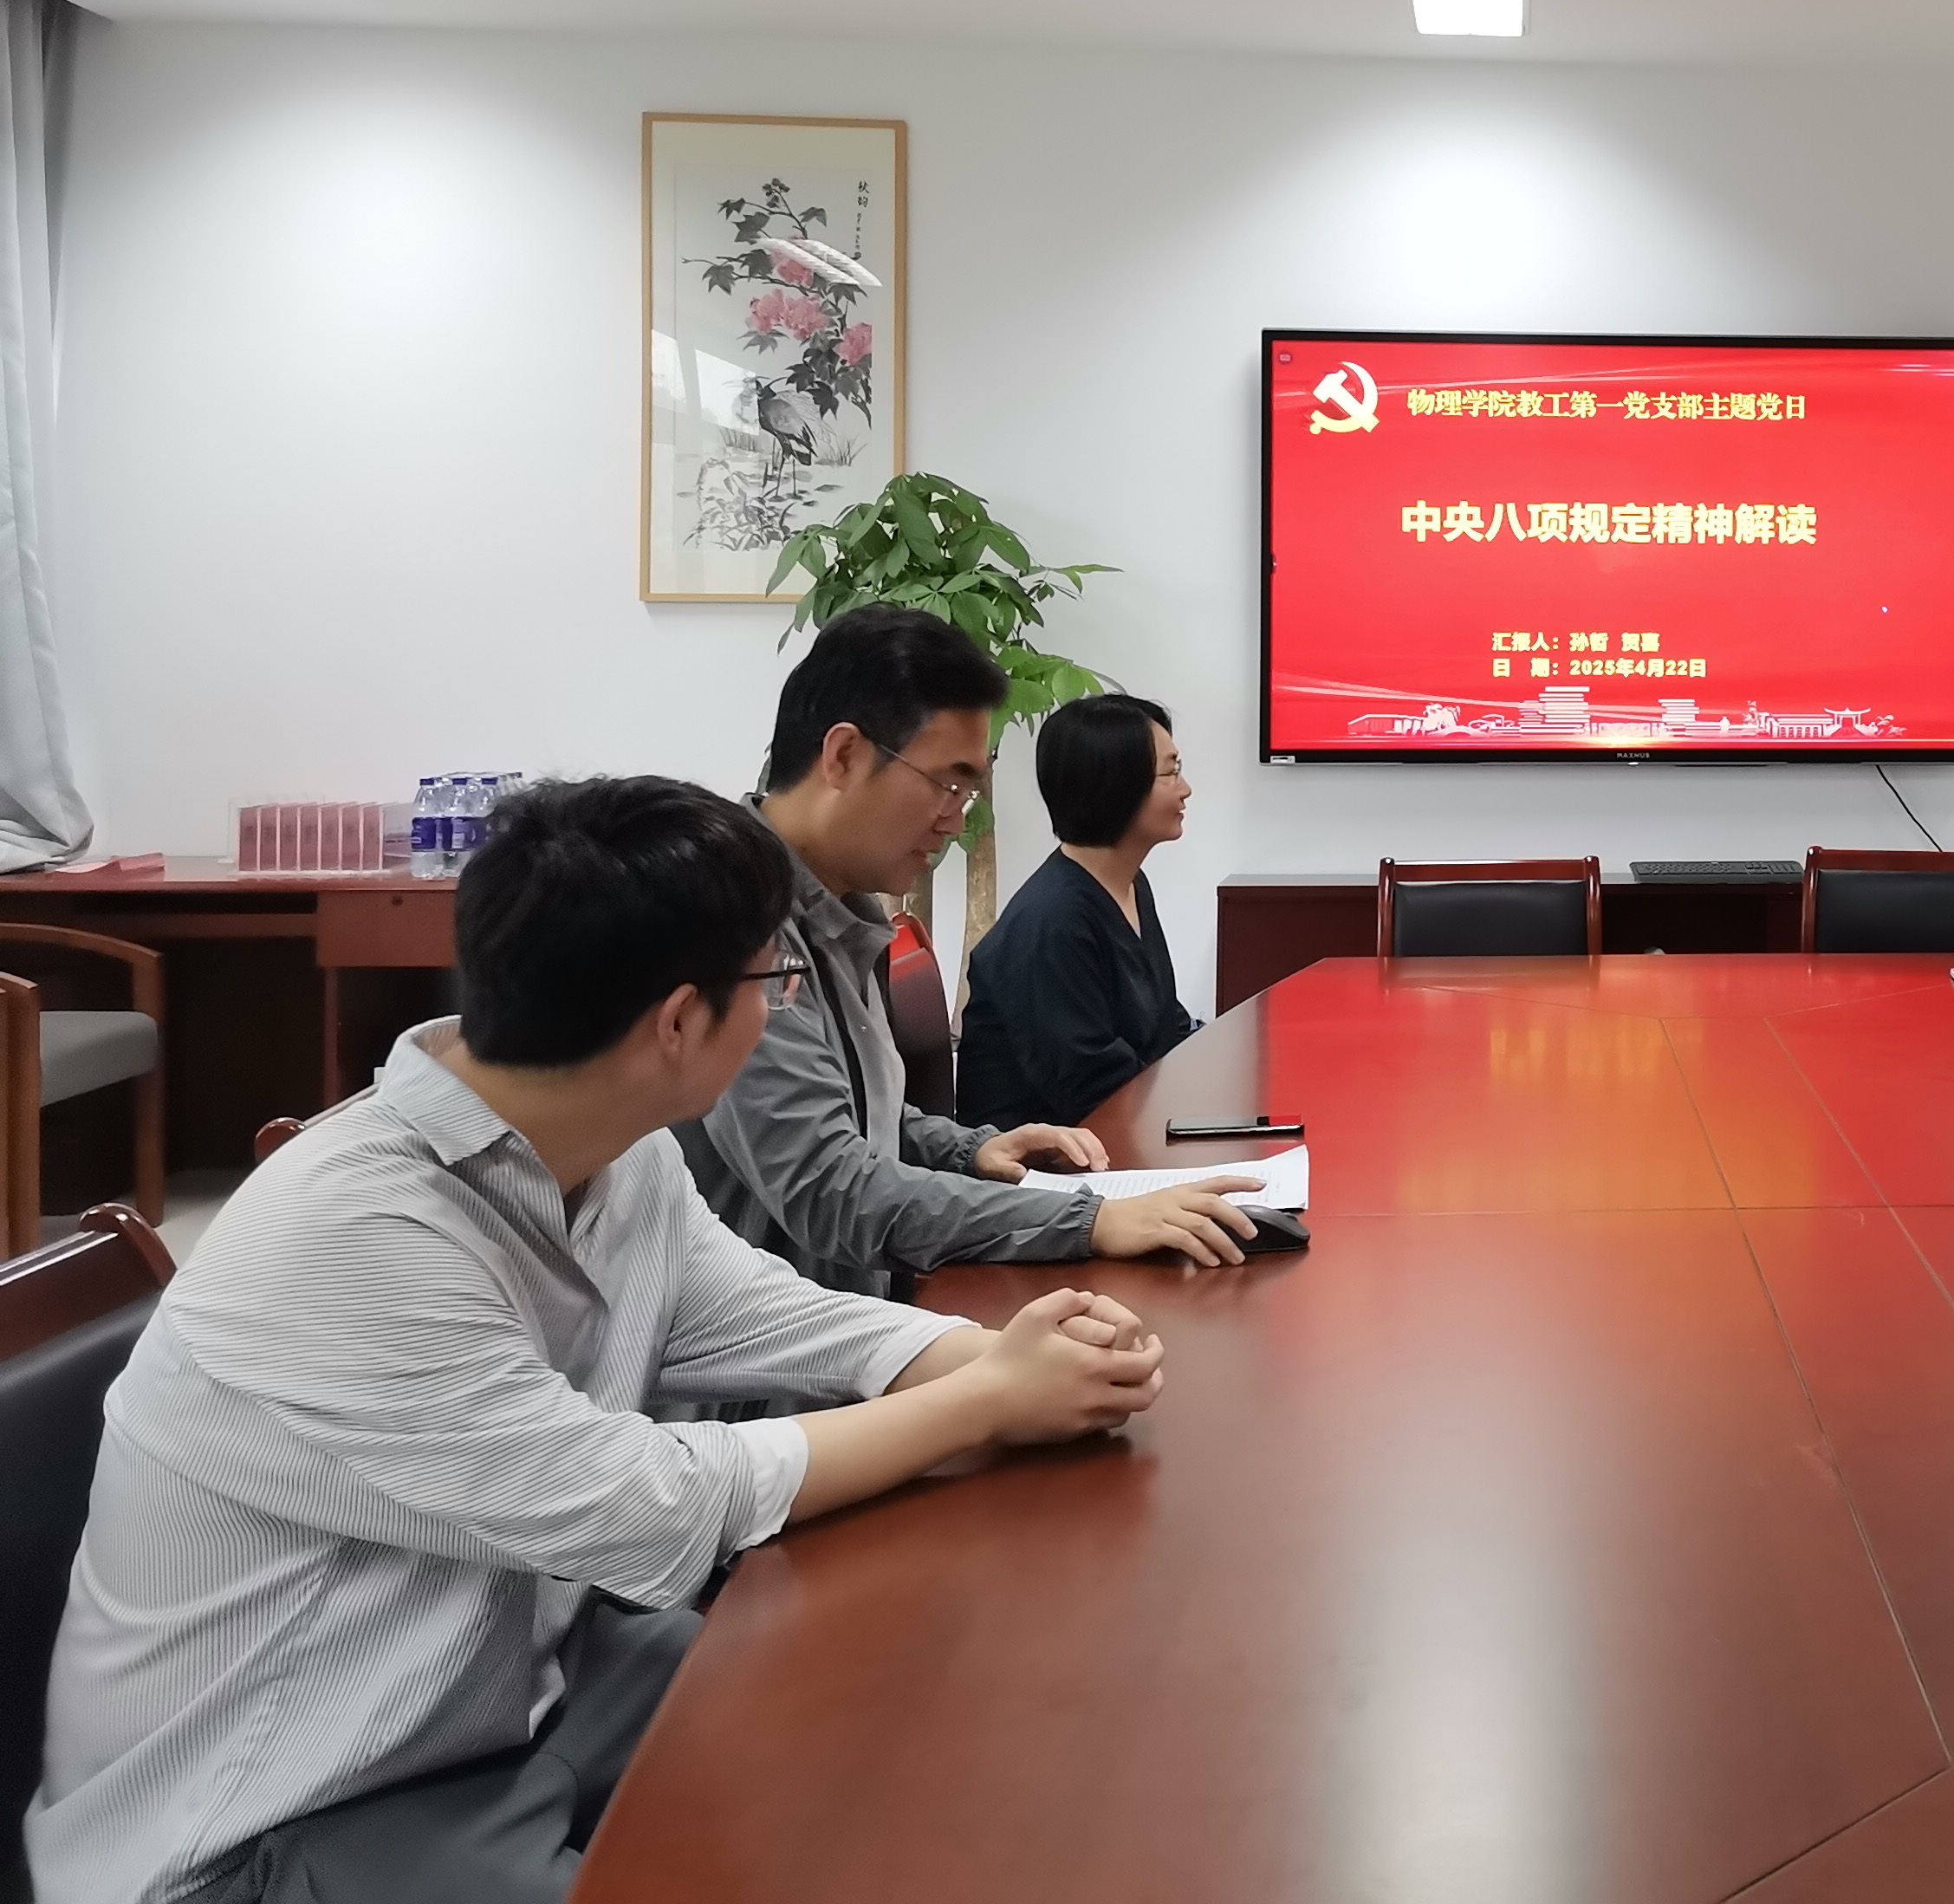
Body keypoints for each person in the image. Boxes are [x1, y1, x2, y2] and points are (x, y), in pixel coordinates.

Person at [29, 777, 1176, 1904]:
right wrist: (984, 1400)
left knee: (898, 1729)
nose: (782, 1009)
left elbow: (772, 1314)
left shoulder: (615, 1150)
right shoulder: (350, 1233)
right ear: (678, 1024)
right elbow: (647, 1502)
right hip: (279, 1810)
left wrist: (1014, 1358)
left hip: (515, 1681)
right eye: (774, 982)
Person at [680, 608, 1258, 1294]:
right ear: (844, 756)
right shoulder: (736, 925)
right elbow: (832, 1188)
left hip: (864, 1311)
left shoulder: (843, 910)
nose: (957, 820)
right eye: (947, 784)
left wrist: (972, 1148)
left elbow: (858, 1117)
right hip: (787, 1341)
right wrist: (1088, 1221)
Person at [958, 693, 1202, 1130]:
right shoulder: (1053, 921)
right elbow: (1091, 1088)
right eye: (1171, 772)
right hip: (1047, 1156)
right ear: (1118, 785)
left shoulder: (1130, 885)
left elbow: (1167, 1027)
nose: (1185, 789)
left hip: (1124, 1128)